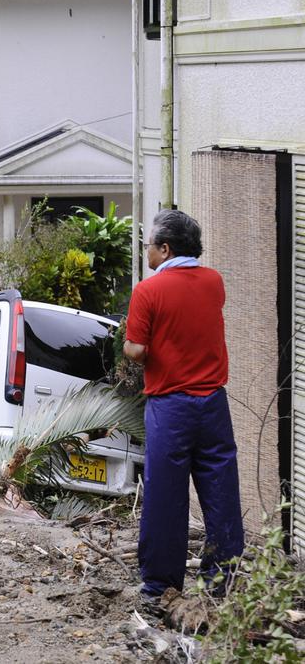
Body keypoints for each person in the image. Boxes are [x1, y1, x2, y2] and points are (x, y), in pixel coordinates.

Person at [123, 209, 244, 600]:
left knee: (165, 497)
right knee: (221, 493)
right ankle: (219, 584)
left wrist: (130, 345)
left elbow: (138, 350)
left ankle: (161, 586)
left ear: (165, 247)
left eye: (149, 247)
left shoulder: (148, 290)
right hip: (213, 403)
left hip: (170, 406)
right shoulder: (214, 282)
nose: (146, 253)